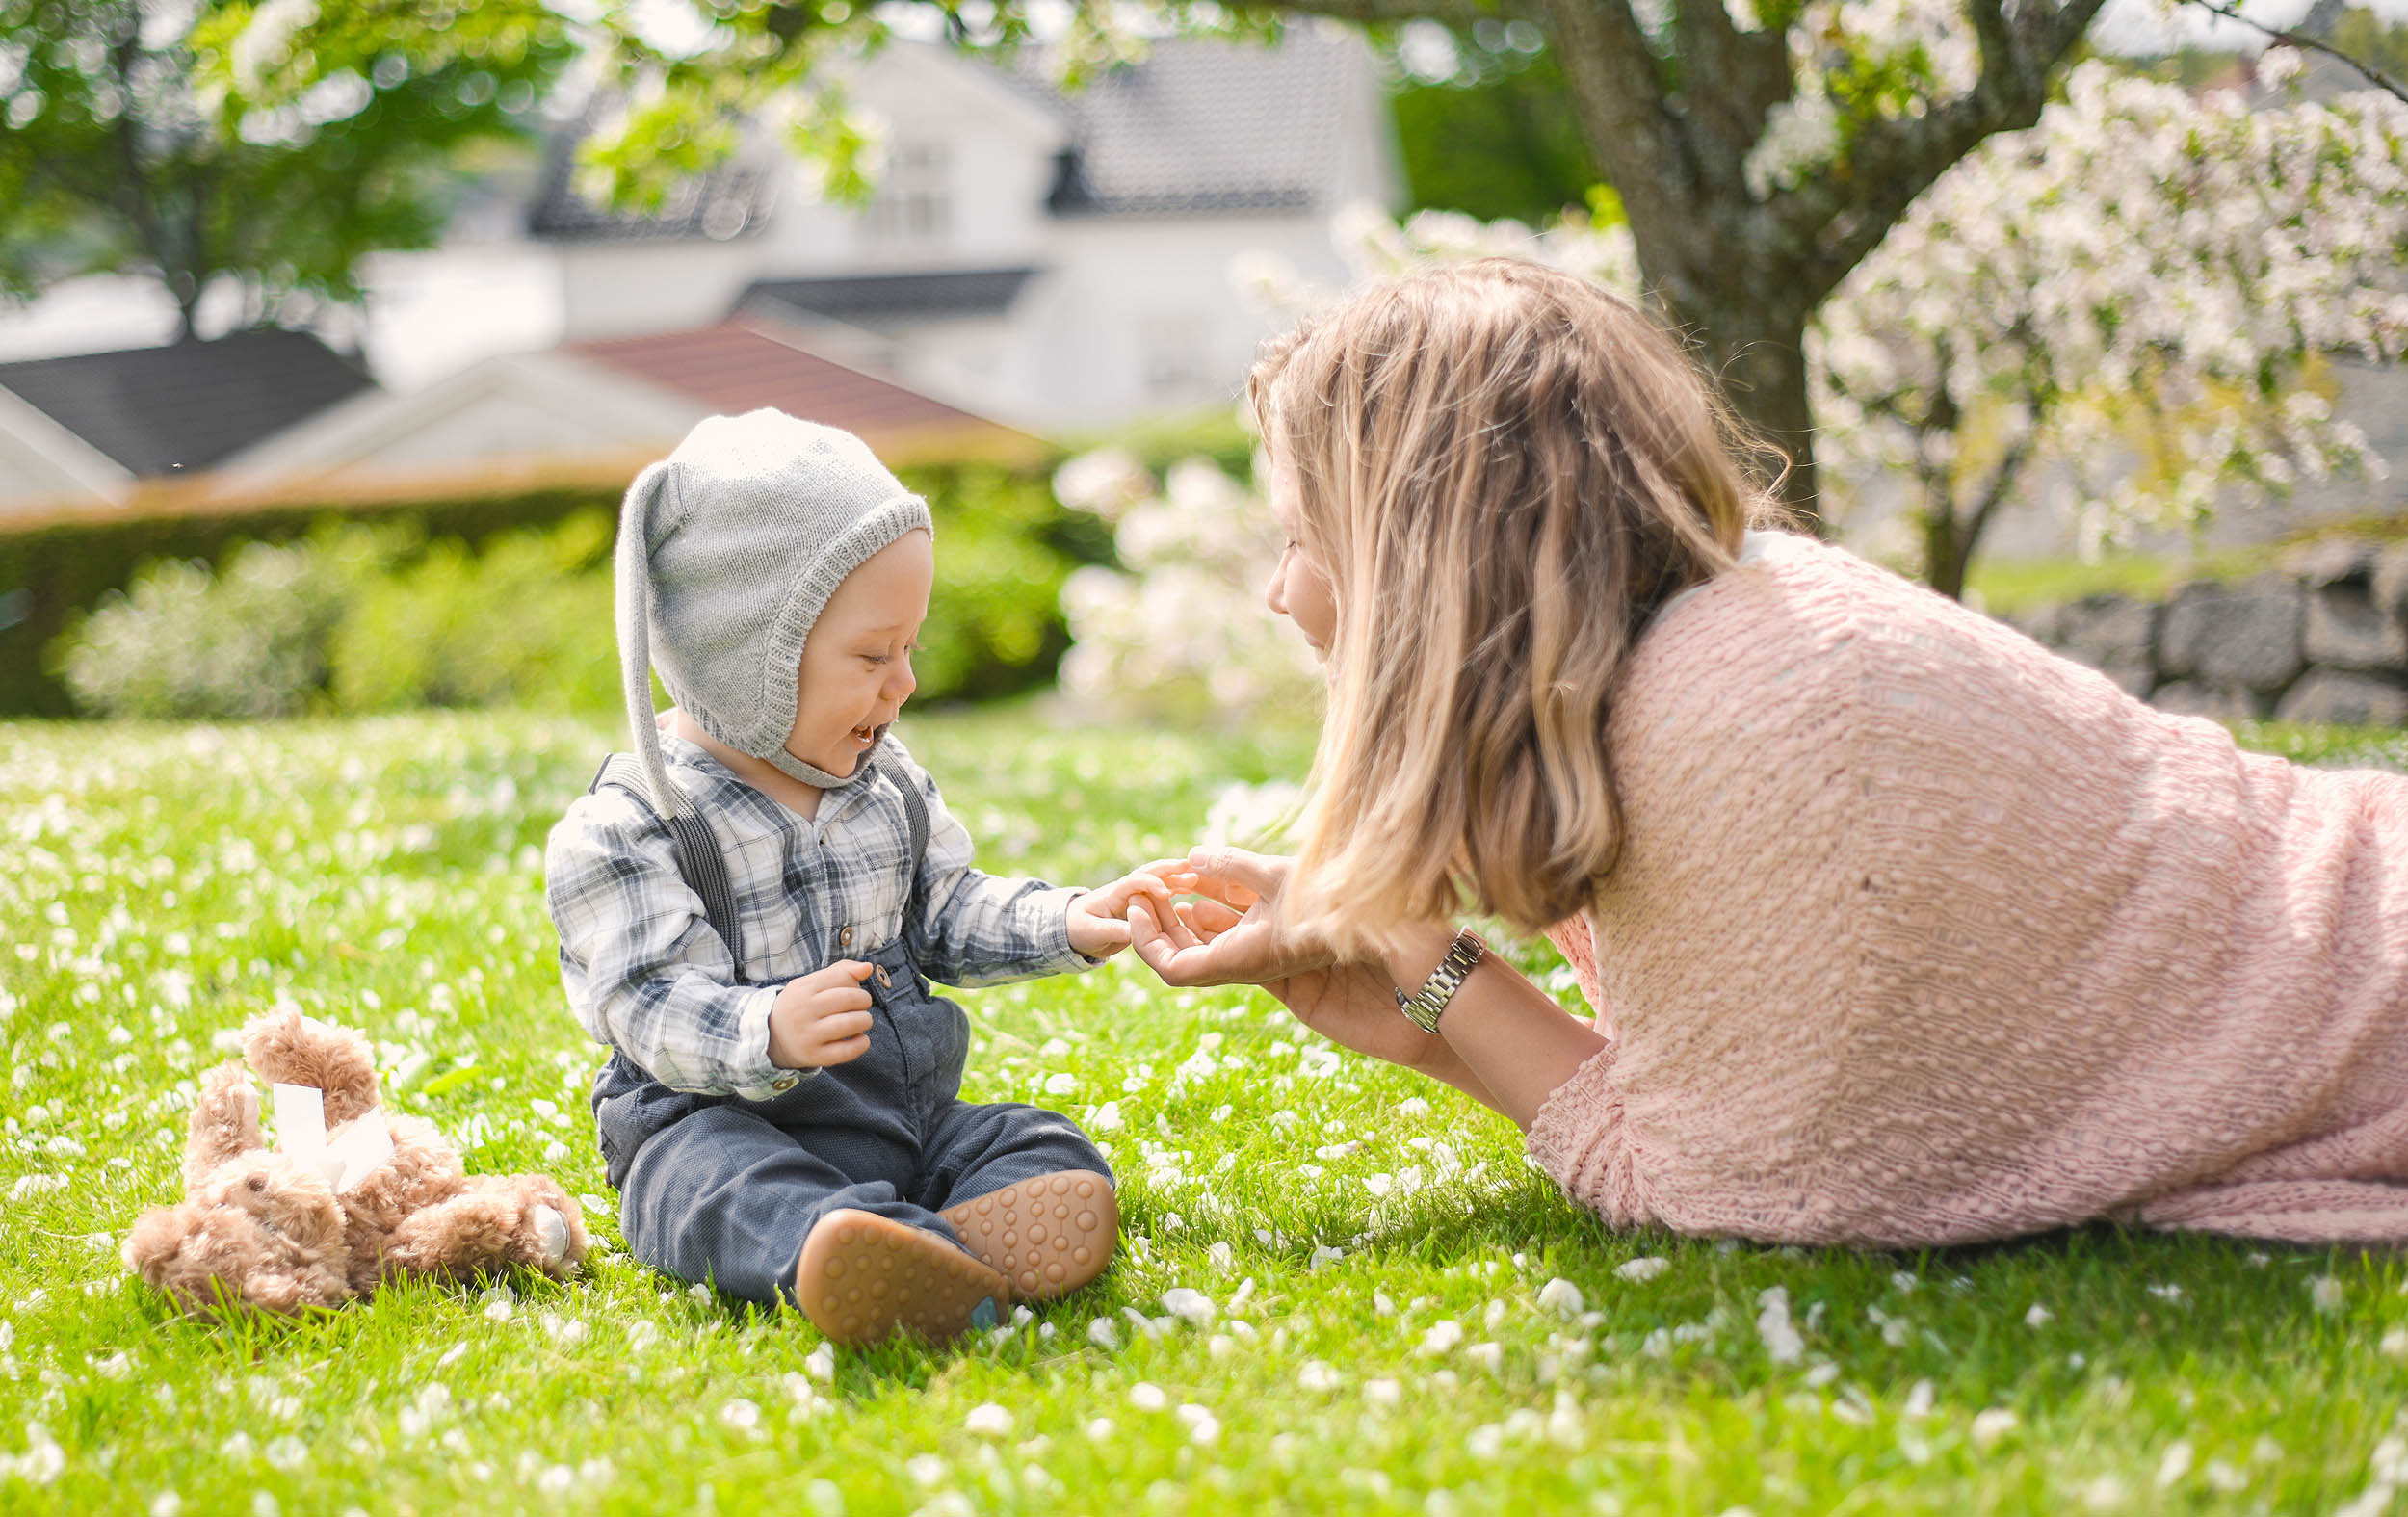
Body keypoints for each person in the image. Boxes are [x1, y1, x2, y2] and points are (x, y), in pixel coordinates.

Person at [1131, 258, 2408, 1247]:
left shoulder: (1760, 719)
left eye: (1300, 540)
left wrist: (1426, 964)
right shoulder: (1696, 652)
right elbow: (1700, 1113)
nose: (1279, 592)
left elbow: (1732, 1188)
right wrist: (1416, 990)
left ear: (1422, 559)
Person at [548, 410, 1174, 1343]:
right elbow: (644, 1000)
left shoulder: (884, 784)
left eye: (909, 648)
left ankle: (924, 1251)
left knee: (1040, 1141)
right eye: (875, 654)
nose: (905, 681)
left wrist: (1071, 918)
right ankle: (843, 1247)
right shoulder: (634, 824)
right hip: (721, 1125)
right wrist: (766, 1028)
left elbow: (947, 909)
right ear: (746, 659)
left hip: (899, 1123)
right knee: (713, 1189)